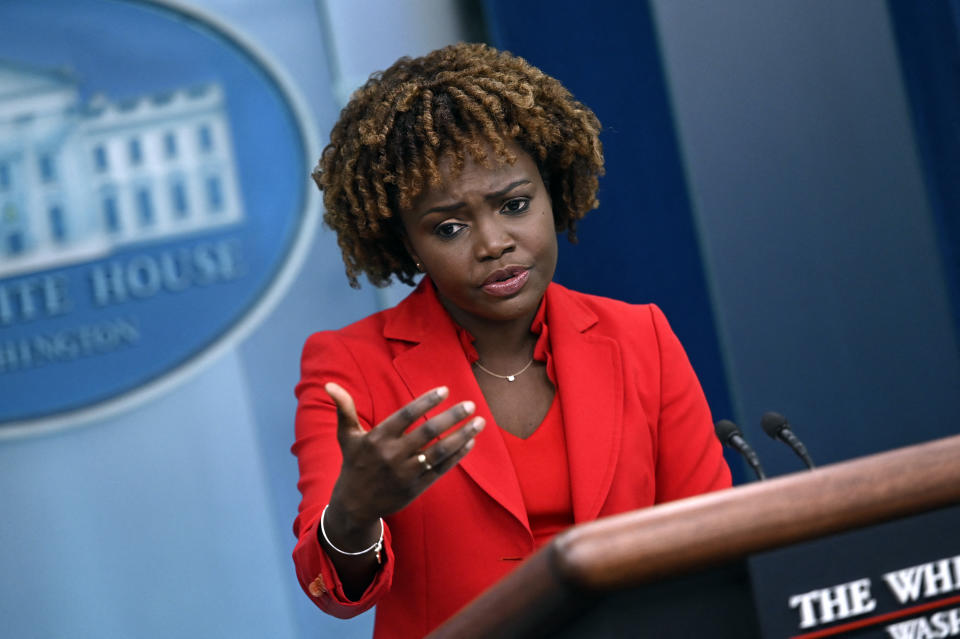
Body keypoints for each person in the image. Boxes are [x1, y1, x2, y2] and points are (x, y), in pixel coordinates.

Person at [292, 42, 731, 638]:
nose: (493, 242)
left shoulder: (639, 337)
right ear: (405, 243)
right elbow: (333, 592)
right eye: (449, 227)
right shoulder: (350, 365)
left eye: (515, 204)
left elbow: (713, 542)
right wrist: (354, 509)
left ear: (552, 194)